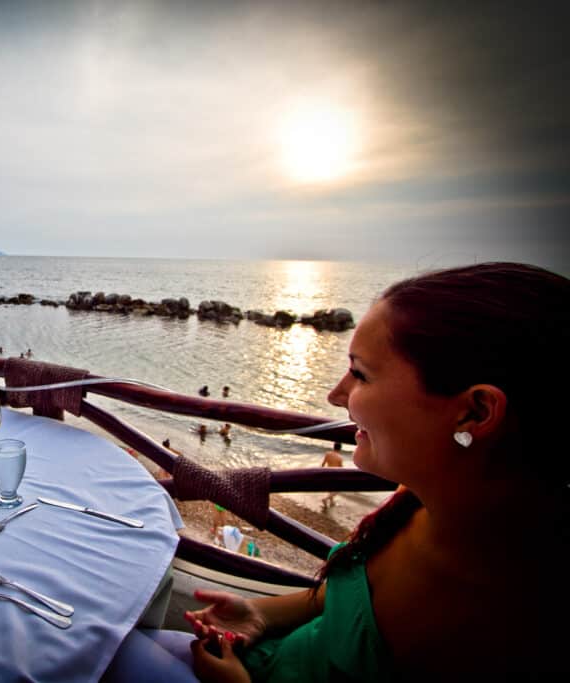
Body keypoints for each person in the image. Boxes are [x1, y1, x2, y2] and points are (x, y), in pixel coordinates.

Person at [103, 262, 570, 682]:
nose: (334, 394)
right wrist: (261, 613)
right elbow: (355, 599)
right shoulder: (421, 506)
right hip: (263, 654)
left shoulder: (519, 620)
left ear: (476, 412)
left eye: (361, 374)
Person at [319, 442, 344, 511]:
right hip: (335, 475)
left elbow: (323, 464)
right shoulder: (340, 458)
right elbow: (341, 469)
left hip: (327, 473)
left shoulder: (328, 454)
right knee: (339, 489)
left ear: (334, 447)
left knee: (331, 489)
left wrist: (320, 473)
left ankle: (332, 502)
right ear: (340, 449)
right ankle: (325, 499)